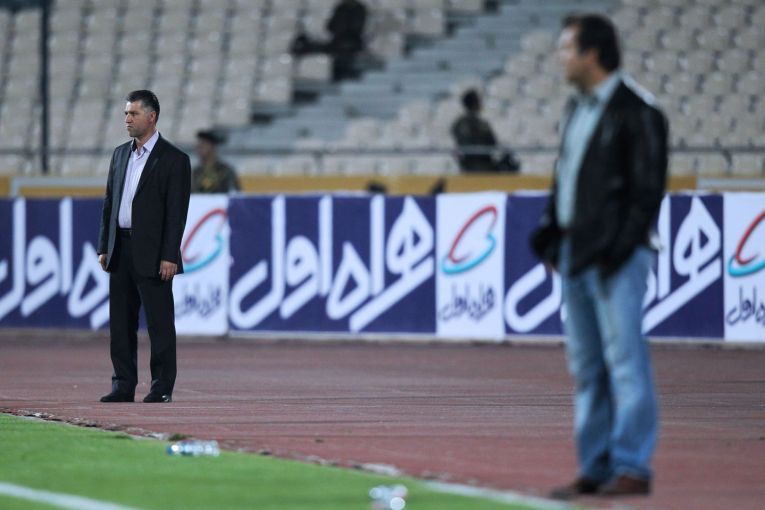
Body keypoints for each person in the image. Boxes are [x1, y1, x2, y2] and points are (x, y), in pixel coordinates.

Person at [529, 13, 668, 498]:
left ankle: (631, 465)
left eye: (566, 49)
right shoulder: (578, 109)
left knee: (625, 361)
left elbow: (646, 193)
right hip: (575, 250)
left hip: (614, 255)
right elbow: (565, 179)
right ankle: (595, 465)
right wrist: (553, 237)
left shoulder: (639, 112)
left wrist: (617, 250)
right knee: (588, 367)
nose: (560, 58)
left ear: (592, 54)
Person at [97, 90, 191, 404]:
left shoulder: (174, 159)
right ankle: (123, 385)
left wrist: (169, 255)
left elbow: (176, 214)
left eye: (133, 113)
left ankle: (161, 387)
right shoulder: (119, 155)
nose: (127, 119)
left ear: (151, 117)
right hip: (120, 249)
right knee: (121, 323)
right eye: (126, 113)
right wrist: (104, 245)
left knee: (159, 323)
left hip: (153, 253)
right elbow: (109, 204)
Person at [291, 0, 368, 81]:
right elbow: (331, 26)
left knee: (343, 52)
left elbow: (351, 28)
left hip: (349, 43)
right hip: (341, 42)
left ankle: (342, 75)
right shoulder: (343, 7)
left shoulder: (356, 8)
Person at [451, 89, 520, 173]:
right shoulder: (482, 124)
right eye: (478, 101)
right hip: (484, 165)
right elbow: (492, 144)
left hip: (467, 165)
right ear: (475, 103)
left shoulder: (457, 124)